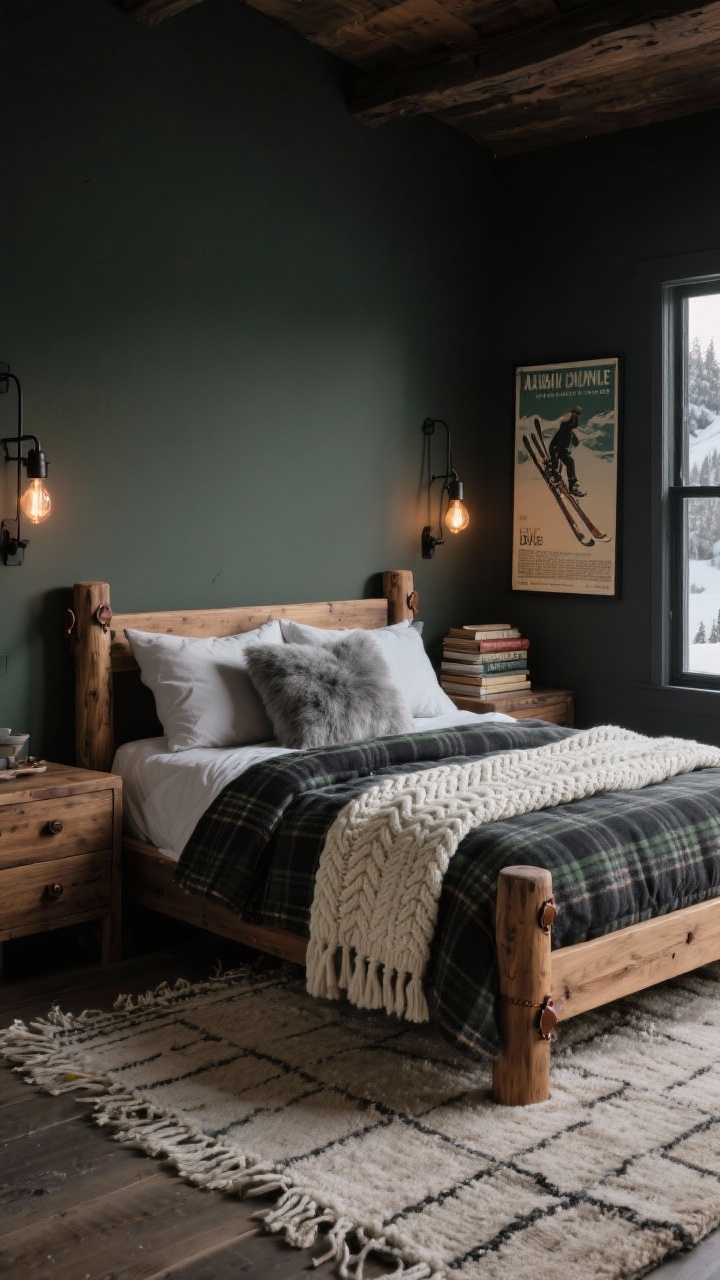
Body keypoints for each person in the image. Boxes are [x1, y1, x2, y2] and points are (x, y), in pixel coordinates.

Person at [549, 404, 585, 497]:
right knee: (556, 461)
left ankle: (572, 485)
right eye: (575, 414)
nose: (576, 416)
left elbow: (574, 426)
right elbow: (566, 421)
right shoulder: (564, 427)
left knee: (570, 462)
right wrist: (571, 415)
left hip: (562, 450)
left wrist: (574, 418)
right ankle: (555, 475)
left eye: (577, 415)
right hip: (555, 449)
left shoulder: (569, 430)